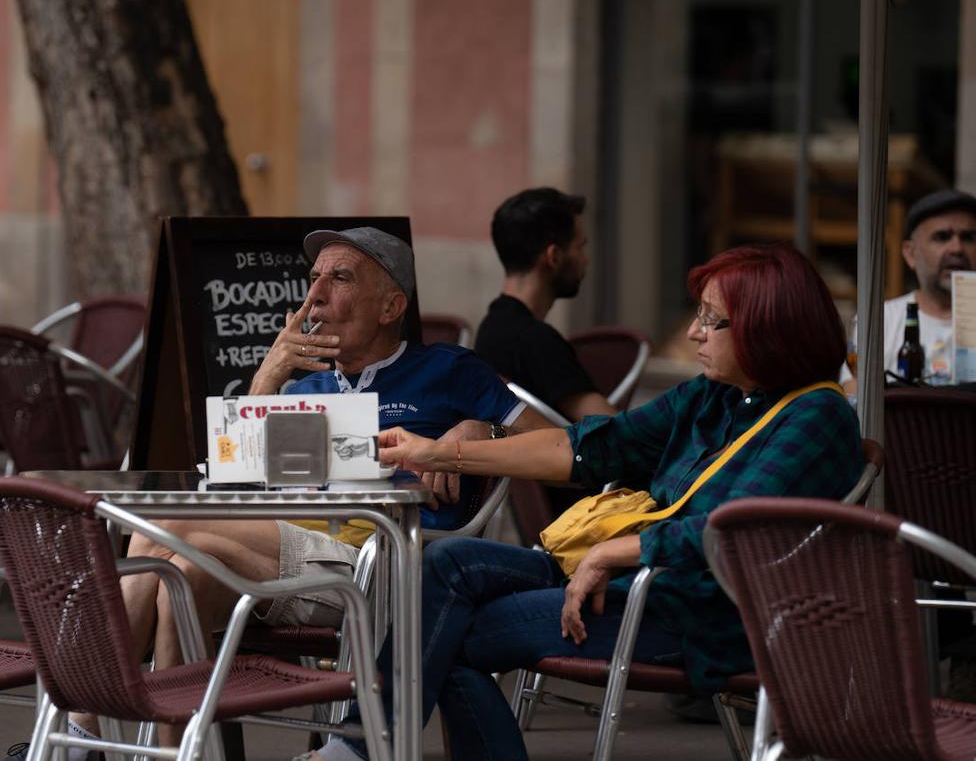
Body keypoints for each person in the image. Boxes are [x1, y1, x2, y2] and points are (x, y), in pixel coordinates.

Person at [302, 245, 864, 761]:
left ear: (768, 327)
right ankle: (361, 747)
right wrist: (442, 453)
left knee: (448, 634)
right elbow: (590, 446)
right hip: (623, 575)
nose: (693, 332)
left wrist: (614, 553)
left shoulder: (816, 415)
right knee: (447, 564)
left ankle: (359, 748)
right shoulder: (714, 395)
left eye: (712, 320)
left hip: (695, 608)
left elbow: (729, 529)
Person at [55, 227, 548, 757]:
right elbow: (234, 484)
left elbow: (552, 439)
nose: (314, 295)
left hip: (385, 569)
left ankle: (78, 730)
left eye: (338, 278)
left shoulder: (448, 369)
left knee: (169, 525)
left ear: (390, 306)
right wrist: (266, 378)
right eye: (313, 279)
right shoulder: (304, 386)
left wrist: (482, 431)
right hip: (294, 561)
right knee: (182, 577)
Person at [476, 187, 615, 421]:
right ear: (554, 257)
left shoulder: (489, 329)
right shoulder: (538, 342)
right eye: (580, 247)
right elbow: (616, 433)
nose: (585, 259)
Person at [841, 189, 976, 389]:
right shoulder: (879, 321)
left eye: (968, 237)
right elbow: (852, 389)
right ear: (911, 254)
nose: (957, 248)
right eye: (942, 237)